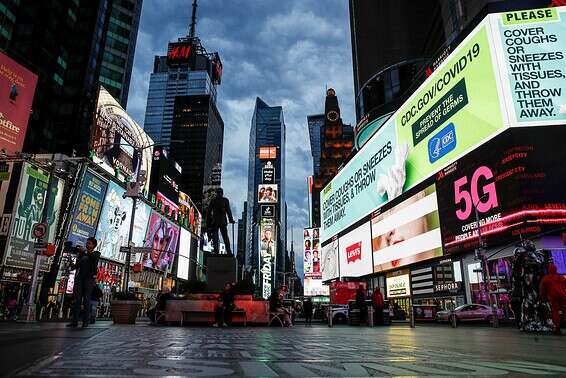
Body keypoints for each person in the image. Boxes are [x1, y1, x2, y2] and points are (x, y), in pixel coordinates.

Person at [67, 237, 100, 328]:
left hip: (89, 279)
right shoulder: (82, 255)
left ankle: (85, 321)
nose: (87, 244)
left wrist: (84, 251)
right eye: (87, 243)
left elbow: (93, 258)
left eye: (89, 243)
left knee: (86, 300)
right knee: (77, 300)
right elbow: (76, 266)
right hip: (79, 278)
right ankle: (75, 321)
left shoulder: (96, 254)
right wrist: (71, 264)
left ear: (93, 245)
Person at [539, 264, 566, 335]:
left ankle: (557, 329)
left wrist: (543, 297)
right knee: (565, 311)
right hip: (563, 296)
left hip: (553, 297)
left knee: (555, 312)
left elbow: (542, 289)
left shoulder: (546, 278)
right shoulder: (560, 277)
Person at [207, 188, 235, 255]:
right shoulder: (225, 200)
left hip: (215, 221)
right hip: (223, 221)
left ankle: (216, 251)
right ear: (222, 193)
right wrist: (231, 220)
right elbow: (228, 211)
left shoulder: (213, 200)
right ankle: (229, 251)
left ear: (217, 193)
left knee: (215, 237)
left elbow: (208, 212)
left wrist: (208, 222)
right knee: (225, 237)